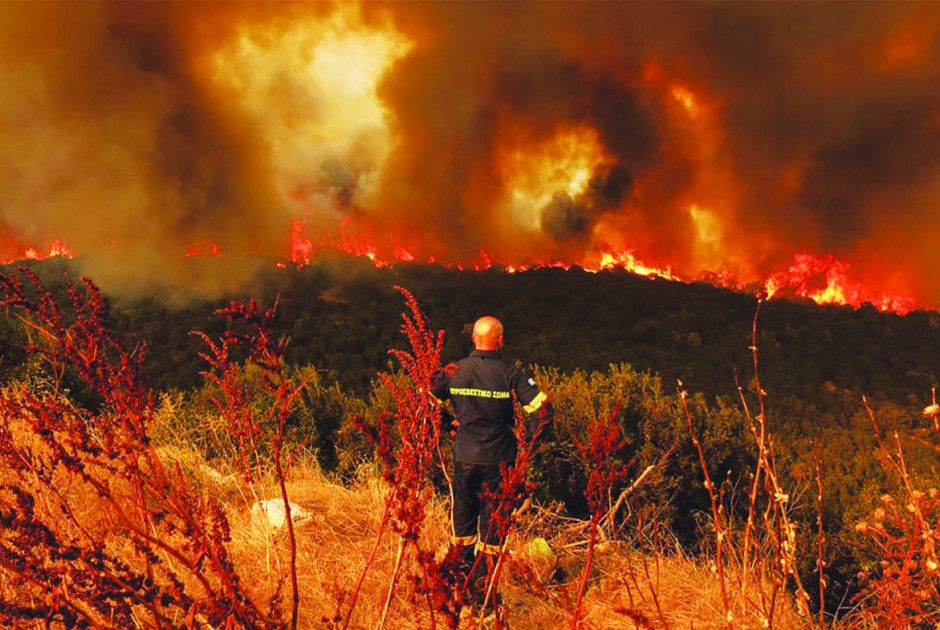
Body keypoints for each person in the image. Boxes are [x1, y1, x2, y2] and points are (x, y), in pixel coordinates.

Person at [431, 315, 553, 613]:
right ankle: (484, 600)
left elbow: (423, 402)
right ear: (501, 340)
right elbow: (544, 412)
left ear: (473, 338)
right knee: (492, 534)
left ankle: (459, 593)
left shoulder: (453, 372)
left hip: (464, 462)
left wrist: (448, 425)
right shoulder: (512, 375)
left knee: (462, 530)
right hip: (500, 464)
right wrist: (526, 444)